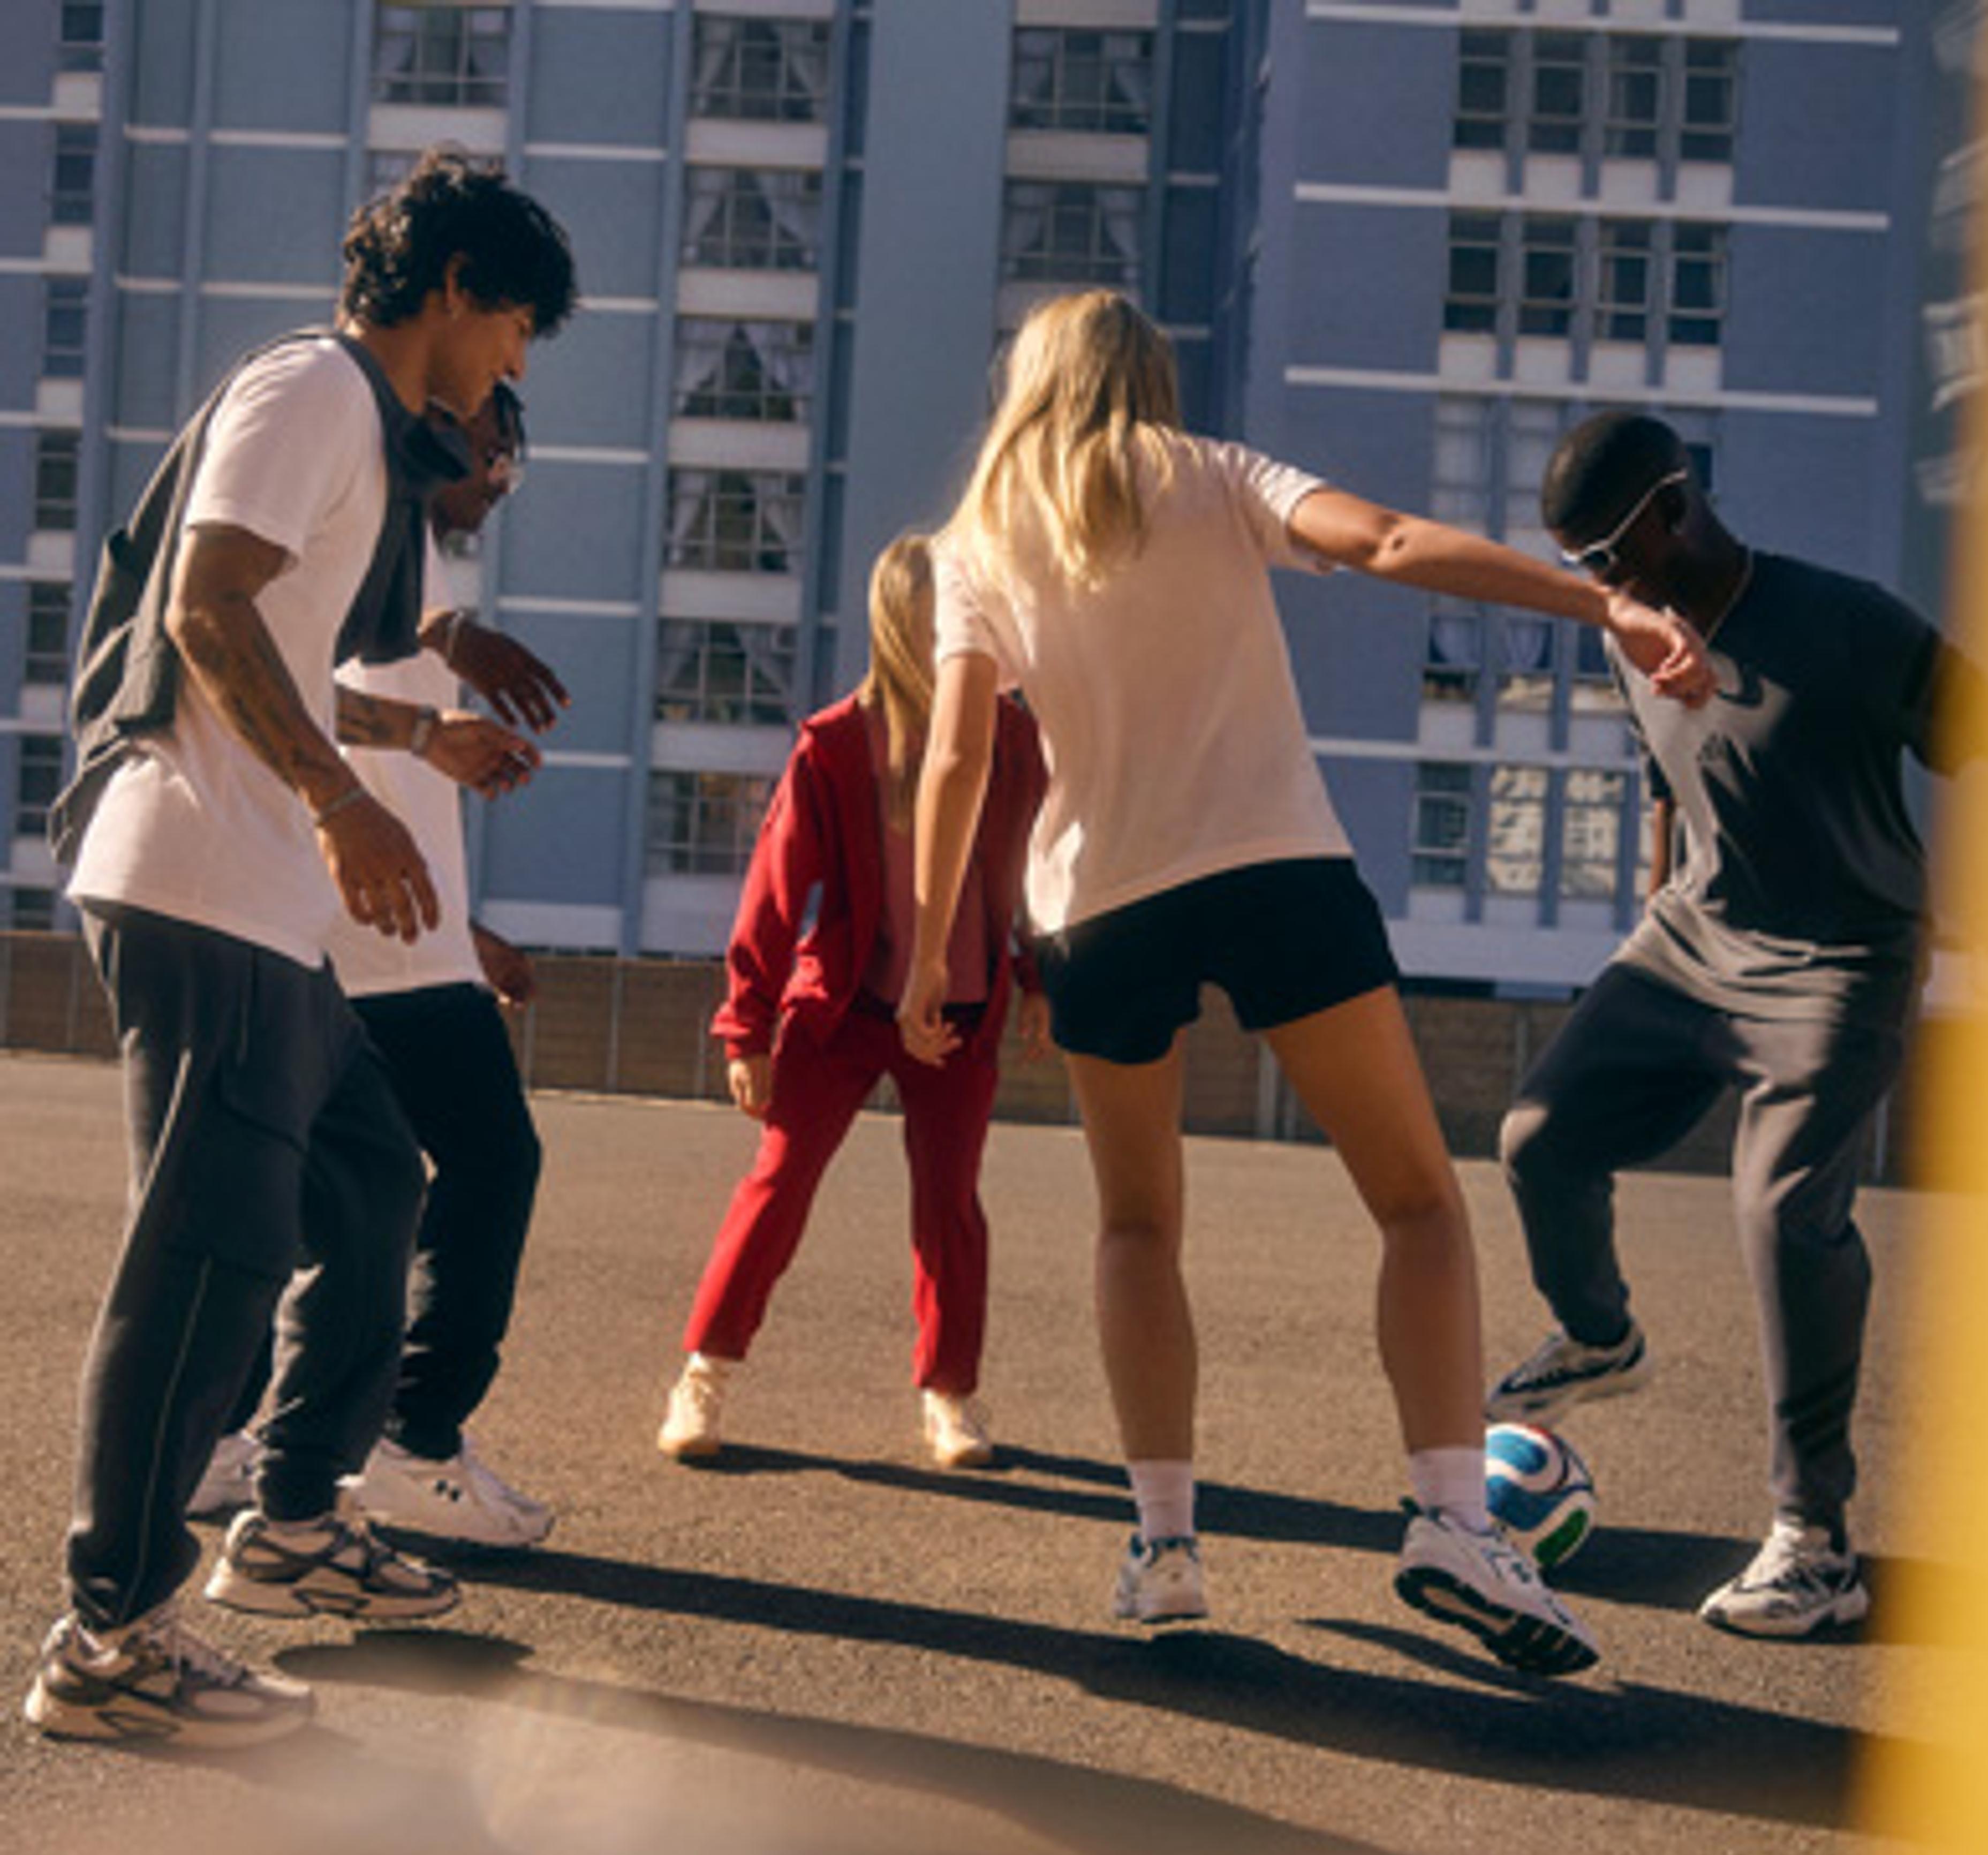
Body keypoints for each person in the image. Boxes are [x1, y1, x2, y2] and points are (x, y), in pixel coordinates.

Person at [899, 291, 1712, 1677]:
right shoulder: (1212, 474)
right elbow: (1392, 543)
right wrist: (1602, 601)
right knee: (1414, 1199)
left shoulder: (979, 541)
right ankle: (1457, 1520)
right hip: (1274, 867)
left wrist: (930, 950)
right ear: (1147, 379)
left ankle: (1163, 1547)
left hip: (1096, 904)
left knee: (1137, 1226)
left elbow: (960, 757)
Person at [23, 150, 577, 1748]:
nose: (517, 367)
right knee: (211, 1255)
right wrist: (345, 804)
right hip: (204, 875)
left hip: (261, 897)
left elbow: (286, 652)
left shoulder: (345, 425)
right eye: (520, 324)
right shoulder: (316, 390)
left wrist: (421, 736)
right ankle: (110, 1639)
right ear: (459, 286)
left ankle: (293, 1519)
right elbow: (205, 614)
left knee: (370, 1181)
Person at [1487, 409, 1971, 1638]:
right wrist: (1656, 915)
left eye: (1611, 553)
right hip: (1691, 943)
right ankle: (1601, 1337)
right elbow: (1673, 786)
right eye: (1583, 566)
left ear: (1675, 503)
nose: (1605, 582)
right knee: (1537, 1140)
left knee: (1780, 1213)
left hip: (1840, 961)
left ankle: (1814, 1544)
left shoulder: (1850, 623)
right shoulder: (1629, 633)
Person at [193, 382, 562, 1548]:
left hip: (391, 926)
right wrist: (454, 662)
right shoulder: (374, 516)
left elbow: (395, 698)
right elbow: (333, 669)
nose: (501, 484)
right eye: (496, 455)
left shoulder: (398, 538)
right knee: (486, 1160)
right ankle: (410, 1443)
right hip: (363, 930)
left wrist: (469, 929)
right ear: (446, 426)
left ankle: (221, 1437)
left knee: (310, 1188)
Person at [659, 534, 1049, 1472]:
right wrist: (745, 1024)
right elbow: (773, 890)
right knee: (778, 1185)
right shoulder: (835, 746)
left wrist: (1037, 976)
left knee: (950, 1205)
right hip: (843, 1013)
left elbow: (1038, 863)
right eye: (945, 620)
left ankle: (950, 1399)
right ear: (899, 624)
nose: (966, 637)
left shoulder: (1014, 736)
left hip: (962, 1017)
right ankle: (702, 1378)